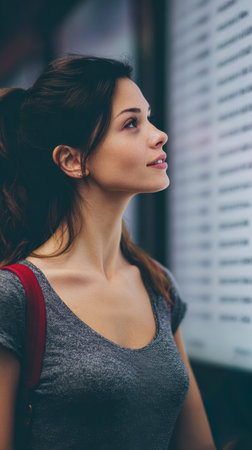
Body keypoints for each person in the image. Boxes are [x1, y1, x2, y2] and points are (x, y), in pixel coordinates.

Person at [0, 55, 216, 450]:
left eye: (148, 118)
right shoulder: (15, 295)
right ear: (72, 159)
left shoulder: (157, 283)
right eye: (131, 123)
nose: (159, 135)